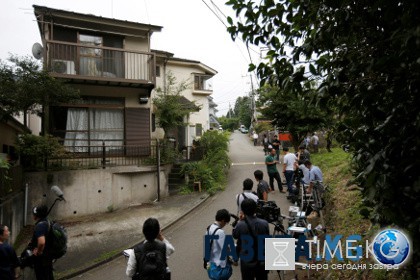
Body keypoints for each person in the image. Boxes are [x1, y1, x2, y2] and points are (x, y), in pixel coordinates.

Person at [232, 199, 269, 280]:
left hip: (247, 261)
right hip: (261, 260)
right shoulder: (264, 223)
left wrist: (240, 221)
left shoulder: (240, 225)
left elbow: (235, 235)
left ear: (242, 211)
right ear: (255, 209)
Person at [205, 209, 234, 280]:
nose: (225, 225)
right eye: (226, 223)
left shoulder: (209, 228)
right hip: (219, 265)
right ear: (223, 220)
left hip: (211, 264)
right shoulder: (220, 232)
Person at [29, 205, 54, 280]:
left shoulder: (40, 226)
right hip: (48, 256)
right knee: (49, 275)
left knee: (42, 276)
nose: (33, 215)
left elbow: (42, 242)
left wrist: (39, 251)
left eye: (34, 214)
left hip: (42, 259)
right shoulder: (47, 221)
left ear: (37, 215)